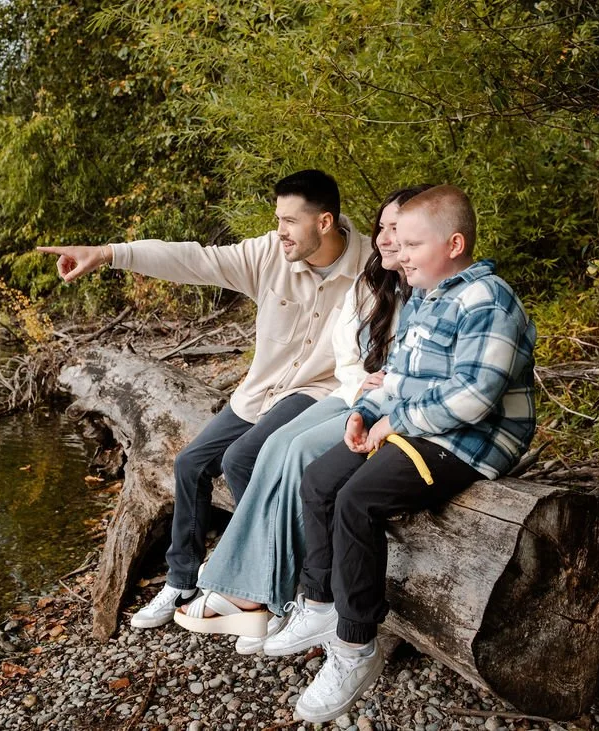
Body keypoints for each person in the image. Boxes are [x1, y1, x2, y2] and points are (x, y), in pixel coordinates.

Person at [37, 170, 371, 629]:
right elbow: (193, 260)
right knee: (190, 464)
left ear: (325, 222)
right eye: (278, 219)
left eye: (290, 221)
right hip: (259, 391)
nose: (279, 232)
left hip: (318, 391)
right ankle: (183, 578)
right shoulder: (268, 254)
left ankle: (268, 584)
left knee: (241, 461)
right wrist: (108, 254)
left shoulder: (372, 267)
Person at [274, 185, 537, 724]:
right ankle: (320, 603)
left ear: (455, 244)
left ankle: (355, 646)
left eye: (412, 243)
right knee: (321, 479)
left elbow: (474, 396)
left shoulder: (487, 299)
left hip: (472, 440)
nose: (399, 253)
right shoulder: (424, 297)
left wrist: (397, 421)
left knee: (357, 501)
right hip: (417, 426)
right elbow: (399, 376)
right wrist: (366, 414)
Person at [170, 186, 433, 649]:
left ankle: (256, 593)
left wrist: (383, 389)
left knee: (296, 457)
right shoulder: (372, 282)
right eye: (384, 229)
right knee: (257, 452)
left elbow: (425, 371)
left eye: (401, 231)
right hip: (355, 395)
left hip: (377, 406)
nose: (388, 240)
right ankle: (251, 588)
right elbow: (349, 356)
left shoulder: (431, 289)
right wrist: (111, 253)